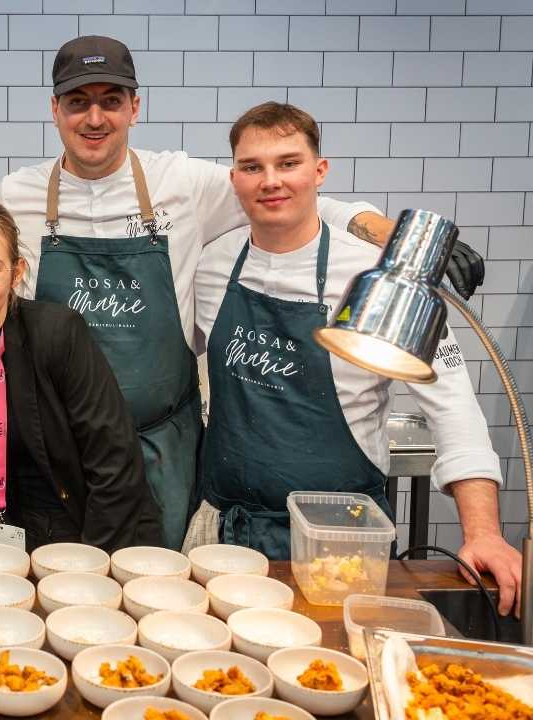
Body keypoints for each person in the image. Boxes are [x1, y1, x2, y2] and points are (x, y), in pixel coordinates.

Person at [0, 34, 482, 551]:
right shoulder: (16, 195)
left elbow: (286, 196)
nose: (95, 118)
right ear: (54, 109)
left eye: (111, 101)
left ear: (135, 108)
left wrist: (393, 234)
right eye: (77, 102)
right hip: (57, 450)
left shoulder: (182, 181)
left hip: (161, 449)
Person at [191, 101, 521, 614]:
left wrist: (484, 533)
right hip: (226, 534)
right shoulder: (212, 264)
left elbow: (454, 408)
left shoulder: (377, 281)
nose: (271, 180)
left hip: (341, 541)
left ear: (319, 171)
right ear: (234, 179)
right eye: (253, 167)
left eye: (288, 163)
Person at [0, 198, 162, 552]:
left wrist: (89, 565)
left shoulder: (58, 333)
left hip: (93, 531)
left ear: (16, 273)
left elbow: (115, 464)